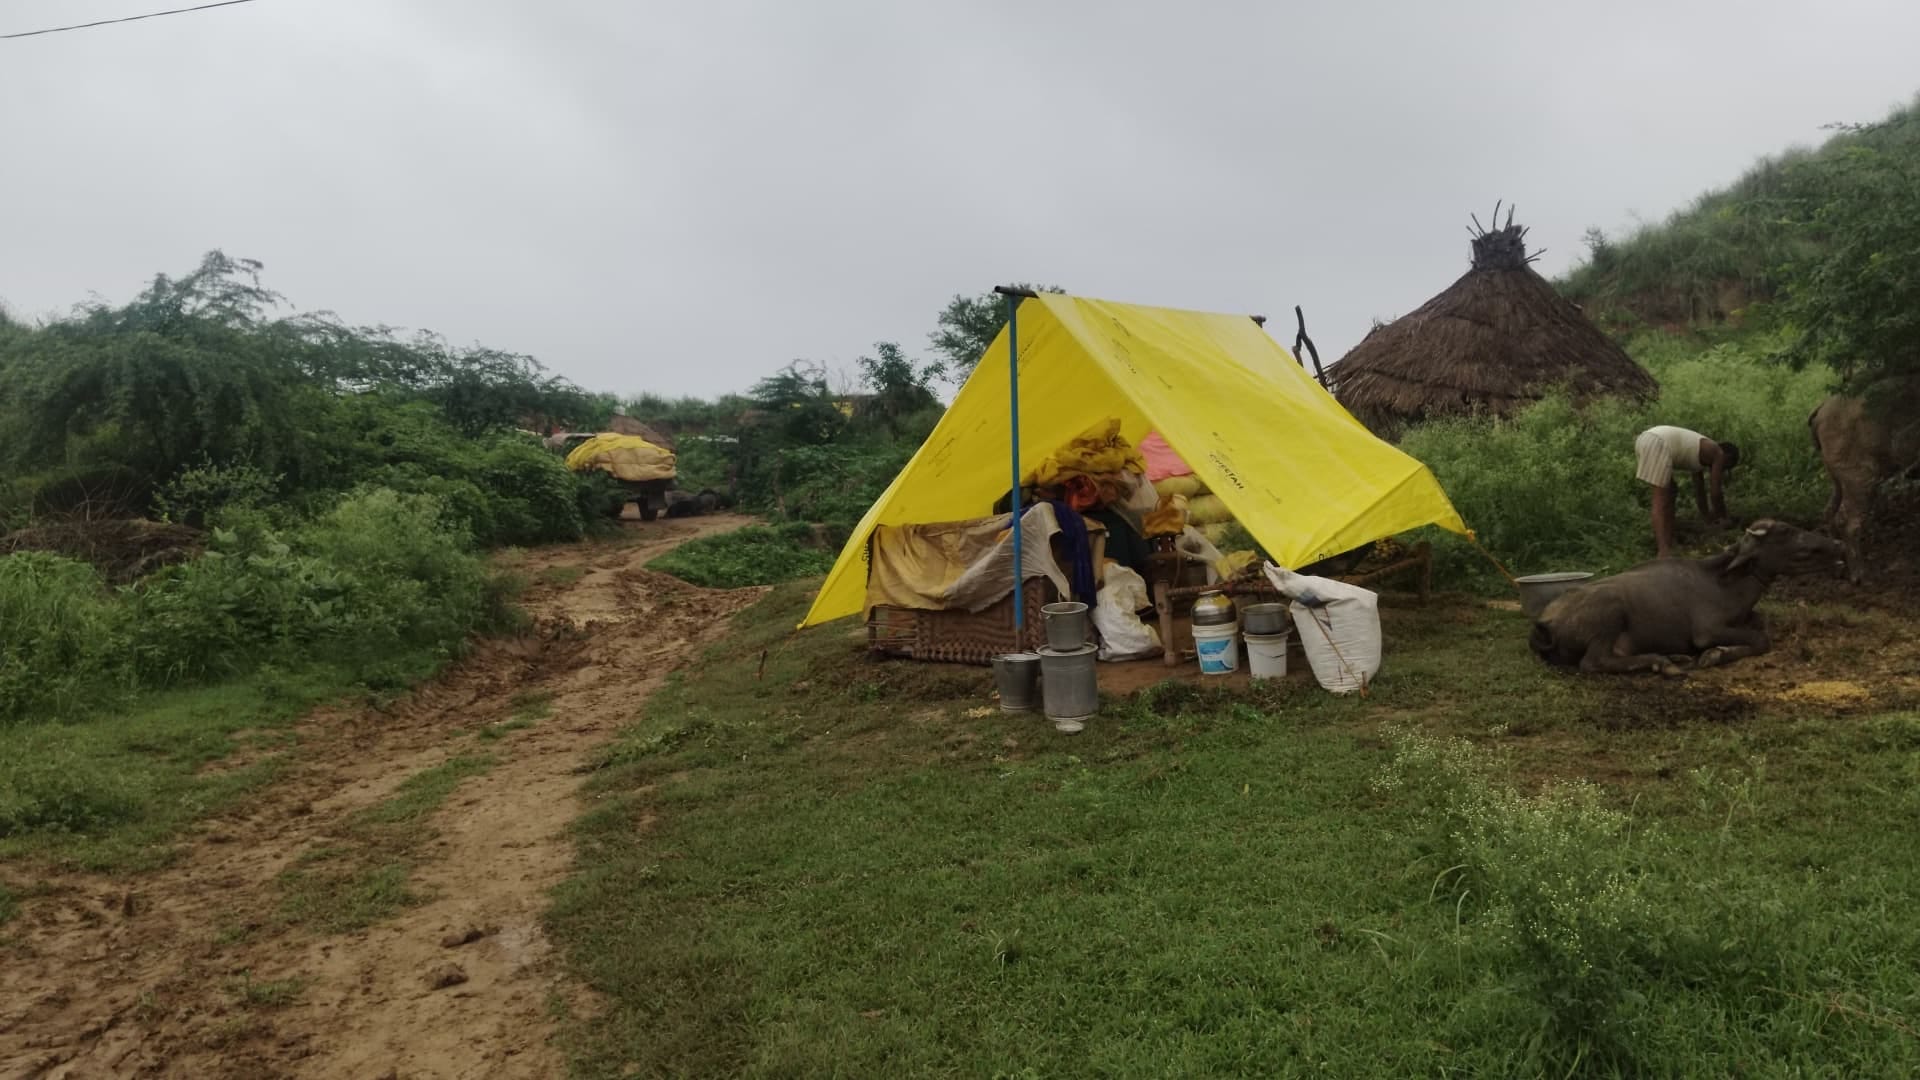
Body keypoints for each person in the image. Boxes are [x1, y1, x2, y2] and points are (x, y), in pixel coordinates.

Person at [1634, 425, 1740, 558]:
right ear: (1727, 457)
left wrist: (1707, 517)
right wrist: (1724, 517)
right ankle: (1663, 552)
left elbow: (1700, 492)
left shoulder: (1701, 453)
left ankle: (1668, 541)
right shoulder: (1718, 453)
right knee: (1661, 499)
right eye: (1726, 467)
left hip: (1646, 439)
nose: (1723, 470)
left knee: (1671, 491)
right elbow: (1715, 492)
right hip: (1657, 442)